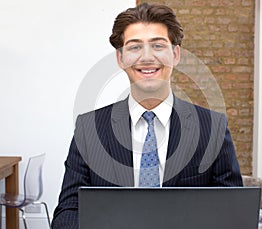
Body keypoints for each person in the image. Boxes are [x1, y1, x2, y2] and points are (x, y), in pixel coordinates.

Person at [51, 2, 243, 228]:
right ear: (120, 58)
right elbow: (68, 212)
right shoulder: (89, 128)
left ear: (175, 54)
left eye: (158, 46)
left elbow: (231, 214)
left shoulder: (213, 128)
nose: (147, 57)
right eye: (134, 47)